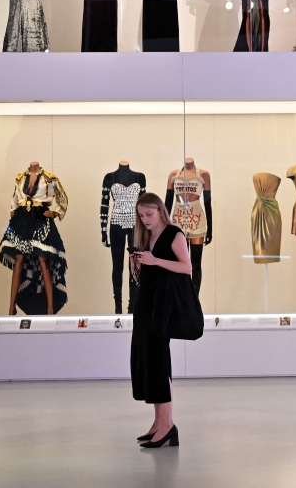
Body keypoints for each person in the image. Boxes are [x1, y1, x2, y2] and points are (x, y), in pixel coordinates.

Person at [129, 192, 191, 448]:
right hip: (146, 303)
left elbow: (186, 267)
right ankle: (158, 423)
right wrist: (139, 265)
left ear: (160, 211)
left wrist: (155, 260)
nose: (145, 220)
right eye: (141, 215)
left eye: (149, 214)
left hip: (162, 305)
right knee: (146, 360)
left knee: (158, 361)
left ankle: (167, 425)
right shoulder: (146, 235)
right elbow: (147, 274)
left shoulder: (174, 234)